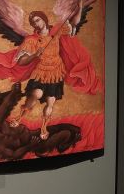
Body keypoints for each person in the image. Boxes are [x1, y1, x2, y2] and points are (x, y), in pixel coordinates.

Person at [8, 8, 83, 139]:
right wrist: (35, 55)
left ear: (44, 19)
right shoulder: (32, 40)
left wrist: (80, 7)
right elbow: (21, 61)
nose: (36, 24)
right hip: (41, 72)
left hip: (56, 72)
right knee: (36, 94)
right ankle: (19, 117)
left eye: (37, 20)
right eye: (33, 22)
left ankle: (44, 127)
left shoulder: (56, 31)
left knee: (50, 102)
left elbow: (74, 22)